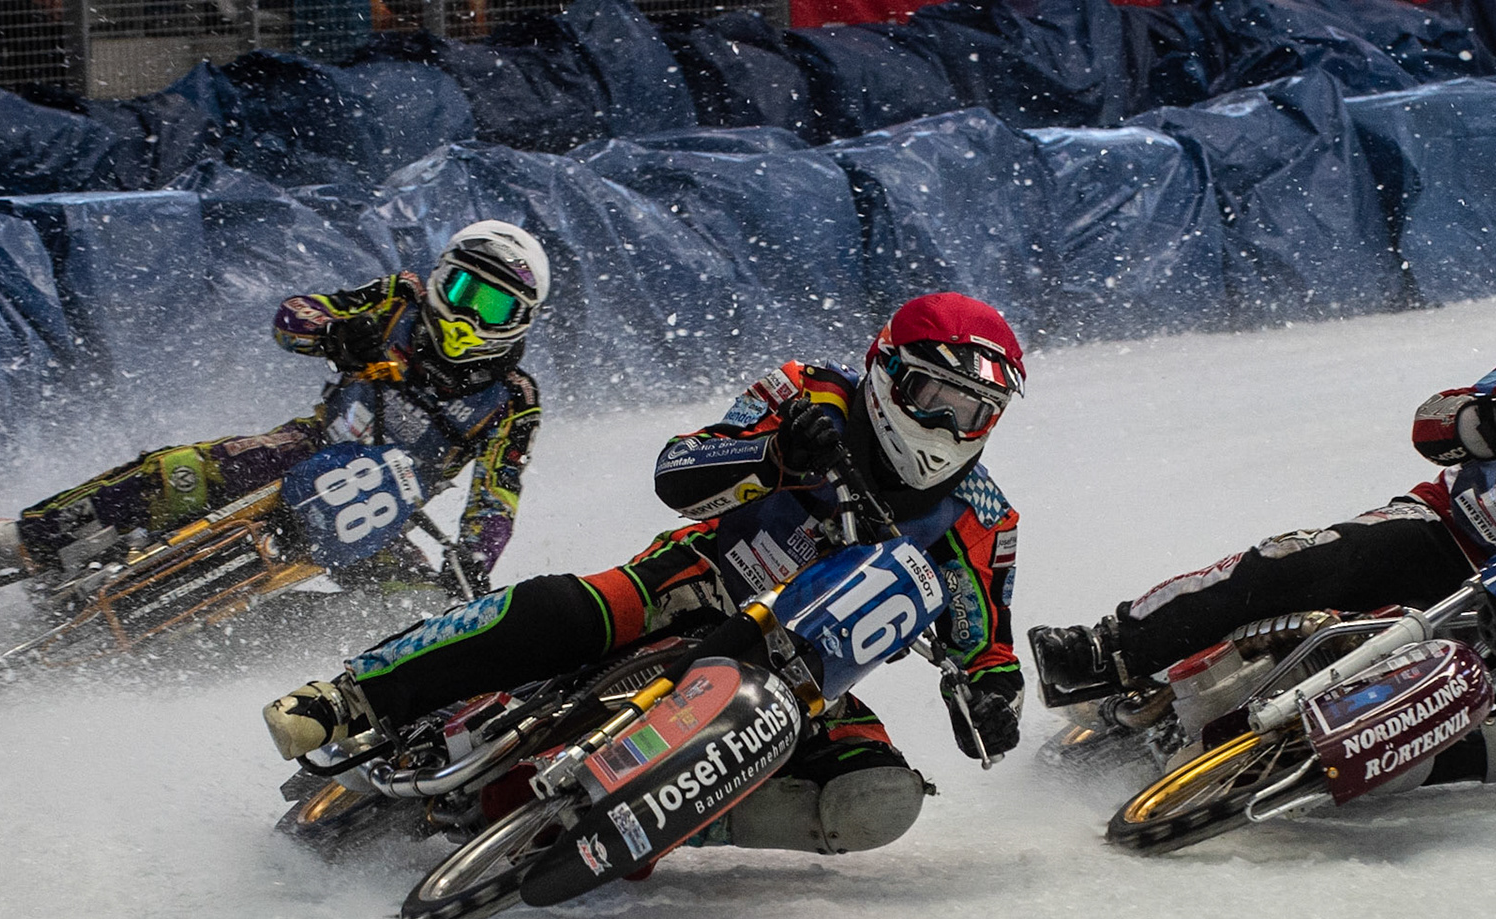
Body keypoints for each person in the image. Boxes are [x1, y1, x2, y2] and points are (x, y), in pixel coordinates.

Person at [262, 292, 1029, 854]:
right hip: (694, 583)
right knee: (570, 611)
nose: (952, 428)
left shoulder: (981, 516)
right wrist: (777, 455)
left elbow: (982, 636)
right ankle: (352, 695)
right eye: (938, 397)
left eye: (977, 410)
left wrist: (994, 692)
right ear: (888, 371)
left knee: (874, 793)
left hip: (801, 669)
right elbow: (679, 469)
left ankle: (667, 817)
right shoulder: (809, 391)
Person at [1030, 289, 1496, 784]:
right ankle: (1110, 646)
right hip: (1442, 536)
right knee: (1309, 559)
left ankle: (1391, 761)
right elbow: (1433, 421)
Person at [0, 221, 550, 599]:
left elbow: (496, 495)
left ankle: (257, 656)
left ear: (520, 319)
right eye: (460, 291)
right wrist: (333, 333)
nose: (469, 318)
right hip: (309, 448)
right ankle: (33, 539)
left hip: (379, 519)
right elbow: (293, 314)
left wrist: (471, 561)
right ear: (436, 280)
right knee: (181, 471)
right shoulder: (396, 297)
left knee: (416, 611)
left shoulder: (513, 402)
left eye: (493, 306)